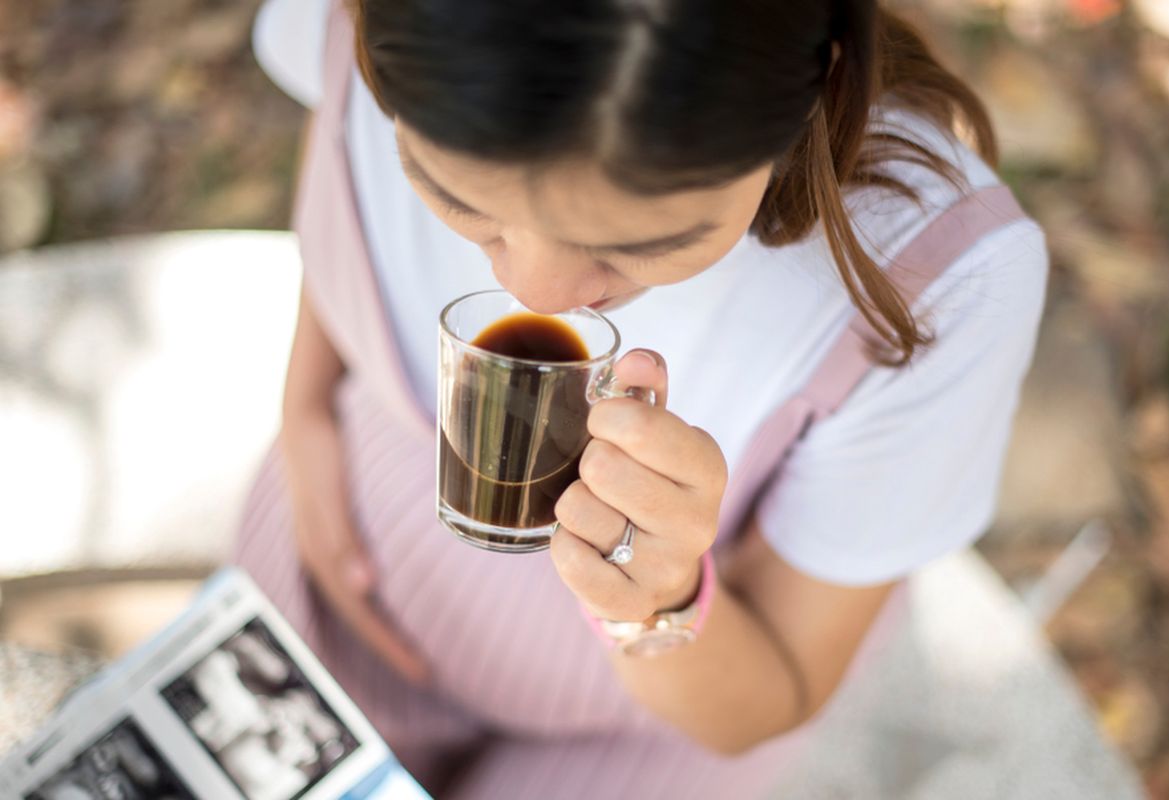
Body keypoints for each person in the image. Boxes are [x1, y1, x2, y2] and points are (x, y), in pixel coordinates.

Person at [237, 0, 1048, 796]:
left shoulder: (935, 278)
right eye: (460, 199)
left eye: (639, 245)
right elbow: (341, 158)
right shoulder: (363, 20)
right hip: (329, 570)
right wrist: (305, 412)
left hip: (638, 721)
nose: (538, 294)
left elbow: (776, 692)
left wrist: (660, 598)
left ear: (806, 94)